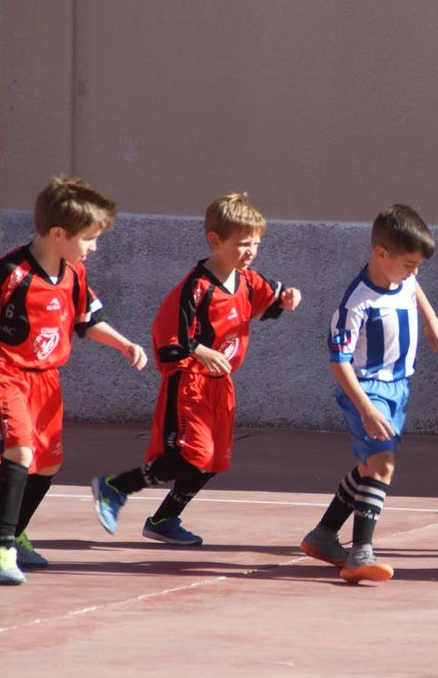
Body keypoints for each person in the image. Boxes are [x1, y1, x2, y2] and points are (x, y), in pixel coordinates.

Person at [0, 176, 148, 585]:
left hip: (46, 380)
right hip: (4, 371)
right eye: (90, 238)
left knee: (49, 463)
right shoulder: (10, 272)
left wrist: (124, 344)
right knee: (19, 453)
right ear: (59, 234)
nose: (95, 246)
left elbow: (88, 321)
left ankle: (11, 531)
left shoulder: (73, 274)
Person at [90, 194, 301, 545]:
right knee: (192, 455)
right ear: (215, 241)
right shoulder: (196, 287)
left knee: (214, 461)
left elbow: (269, 301)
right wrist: (201, 350)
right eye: (242, 244)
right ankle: (116, 487)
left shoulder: (246, 279)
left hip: (221, 385)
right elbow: (167, 338)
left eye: (256, 243)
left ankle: (164, 519)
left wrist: (288, 298)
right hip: (190, 384)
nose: (250, 251)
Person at [300, 204, 438, 584]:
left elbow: (414, 290)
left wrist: (432, 322)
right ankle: (360, 552)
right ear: (381, 254)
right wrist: (365, 407)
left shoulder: (403, 280)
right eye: (409, 264)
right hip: (365, 389)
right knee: (383, 467)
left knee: (369, 468)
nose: (415, 273)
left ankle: (322, 536)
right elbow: (339, 361)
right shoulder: (356, 303)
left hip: (399, 387)